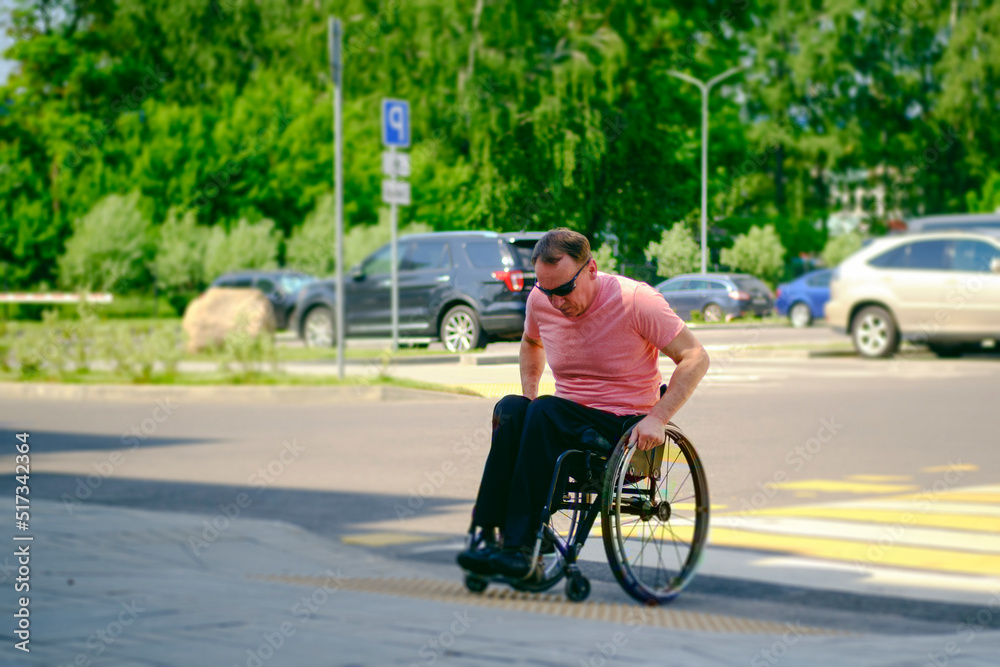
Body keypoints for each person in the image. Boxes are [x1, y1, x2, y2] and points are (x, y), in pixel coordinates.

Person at [457, 228, 711, 579]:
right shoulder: (541, 301)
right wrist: (528, 396)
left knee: (545, 411)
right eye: (547, 291)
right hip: (564, 421)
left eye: (563, 290)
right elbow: (532, 343)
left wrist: (658, 418)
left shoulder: (635, 300)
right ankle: (487, 535)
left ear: (590, 269)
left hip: (623, 427)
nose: (556, 302)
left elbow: (695, 357)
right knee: (512, 409)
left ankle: (520, 545)